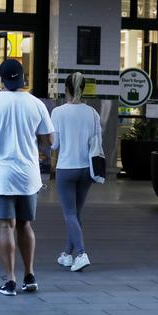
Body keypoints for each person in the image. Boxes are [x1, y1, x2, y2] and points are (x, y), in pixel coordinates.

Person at [0, 59, 53, 296]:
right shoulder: (35, 103)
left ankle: (10, 280)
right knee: (25, 225)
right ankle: (30, 275)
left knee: (6, 226)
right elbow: (50, 140)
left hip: (0, 175)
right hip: (28, 175)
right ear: (22, 77)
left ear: (1, 79)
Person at [50, 72, 100, 272]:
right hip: (86, 169)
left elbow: (56, 145)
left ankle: (81, 253)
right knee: (76, 214)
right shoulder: (93, 113)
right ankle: (66, 254)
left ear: (66, 89)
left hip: (66, 168)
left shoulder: (59, 112)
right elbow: (97, 143)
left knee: (69, 213)